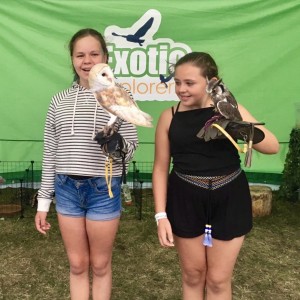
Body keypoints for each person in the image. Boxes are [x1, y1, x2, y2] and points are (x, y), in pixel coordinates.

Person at [152, 52, 279, 300]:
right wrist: (160, 215)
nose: (181, 89)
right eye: (177, 82)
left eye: (189, 83)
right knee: (192, 275)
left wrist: (237, 124)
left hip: (229, 198)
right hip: (185, 199)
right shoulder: (170, 116)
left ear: (211, 81)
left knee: (219, 280)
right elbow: (159, 168)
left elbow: (272, 146)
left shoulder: (232, 110)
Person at [35, 28, 138, 300]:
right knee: (78, 264)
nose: (87, 60)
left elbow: (130, 150)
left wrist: (116, 145)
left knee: (100, 265)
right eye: (79, 54)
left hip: (104, 189)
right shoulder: (58, 101)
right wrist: (44, 201)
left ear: (105, 57)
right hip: (66, 189)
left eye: (94, 53)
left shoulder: (118, 95)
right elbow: (51, 153)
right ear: (72, 59)